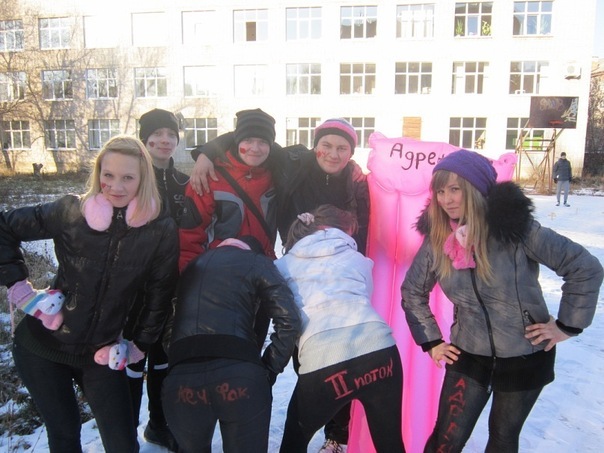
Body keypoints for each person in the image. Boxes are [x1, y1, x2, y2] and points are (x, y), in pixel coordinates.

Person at [401, 149, 603, 452]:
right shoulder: (438, 238)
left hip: (525, 356)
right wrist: (431, 341)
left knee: (503, 439)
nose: (446, 199)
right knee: (446, 439)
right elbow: (412, 291)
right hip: (468, 354)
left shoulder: (516, 230)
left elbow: (584, 267)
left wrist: (566, 326)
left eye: (455, 189)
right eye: (440, 191)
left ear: (476, 189)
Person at [190, 117, 369, 451]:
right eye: (326, 145)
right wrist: (206, 152)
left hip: (343, 282)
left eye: (342, 148)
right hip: (301, 280)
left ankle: (337, 435)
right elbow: (254, 138)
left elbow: (370, 227)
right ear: (315, 146)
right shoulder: (293, 165)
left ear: (351, 152)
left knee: (342, 357)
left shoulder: (358, 184)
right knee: (306, 359)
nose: (333, 153)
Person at [0, 135, 179, 453]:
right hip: (41, 346)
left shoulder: (160, 229)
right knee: (65, 436)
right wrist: (20, 289)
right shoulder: (71, 211)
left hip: (102, 353)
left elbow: (159, 293)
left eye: (128, 178)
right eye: (108, 175)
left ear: (143, 179)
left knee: (123, 444)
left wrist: (139, 344)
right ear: (98, 174)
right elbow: (5, 227)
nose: (116, 187)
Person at [275, 205, 405, 453]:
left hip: (325, 361)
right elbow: (364, 297)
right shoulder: (359, 260)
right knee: (391, 446)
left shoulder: (283, 266)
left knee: (293, 444)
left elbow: (285, 319)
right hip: (380, 350)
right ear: (340, 230)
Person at [161, 236, 301, 453]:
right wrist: (269, 369)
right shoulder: (257, 262)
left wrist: (181, 360)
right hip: (239, 376)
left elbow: (169, 327)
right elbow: (289, 320)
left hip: (182, 383)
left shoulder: (192, 267)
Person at [123, 108, 188, 452]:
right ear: (144, 139)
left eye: (170, 134)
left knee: (164, 358)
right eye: (156, 134)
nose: (164, 140)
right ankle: (124, 433)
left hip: (174, 285)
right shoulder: (132, 179)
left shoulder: (184, 182)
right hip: (135, 287)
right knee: (132, 359)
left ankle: (158, 424)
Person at [178, 108, 278, 270]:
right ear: (237, 141)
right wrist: (191, 276)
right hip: (220, 270)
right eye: (248, 140)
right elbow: (190, 237)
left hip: (263, 267)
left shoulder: (277, 174)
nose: (255, 148)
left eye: (263, 142)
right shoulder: (208, 177)